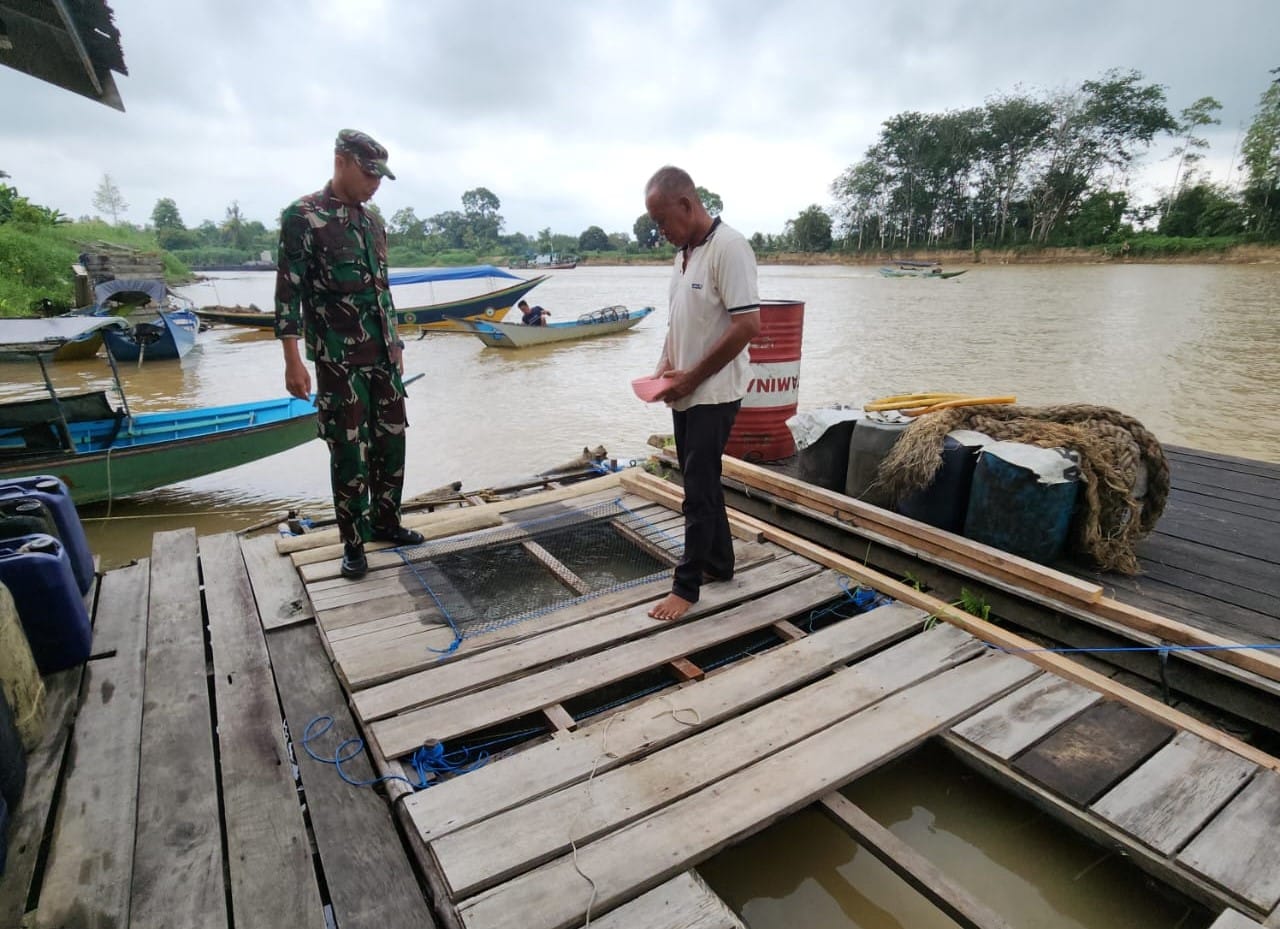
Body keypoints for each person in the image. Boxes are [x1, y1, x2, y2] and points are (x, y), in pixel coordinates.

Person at [274, 128, 425, 580]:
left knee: (392, 439)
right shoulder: (303, 216)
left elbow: (384, 292)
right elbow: (288, 292)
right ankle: (353, 544)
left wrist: (396, 344)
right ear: (341, 161)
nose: (374, 183)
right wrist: (292, 360)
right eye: (368, 173)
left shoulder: (373, 223)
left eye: (380, 176)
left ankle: (386, 522)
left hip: (383, 357)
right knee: (348, 450)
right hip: (338, 361)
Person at [643, 166, 761, 621]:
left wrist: (693, 376)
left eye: (662, 220)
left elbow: (748, 324)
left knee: (696, 486)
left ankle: (686, 587)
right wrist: (665, 370)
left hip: (714, 392)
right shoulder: (683, 253)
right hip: (685, 388)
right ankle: (720, 563)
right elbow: (680, 321)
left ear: (687, 205)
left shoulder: (729, 248)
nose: (661, 230)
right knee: (704, 480)